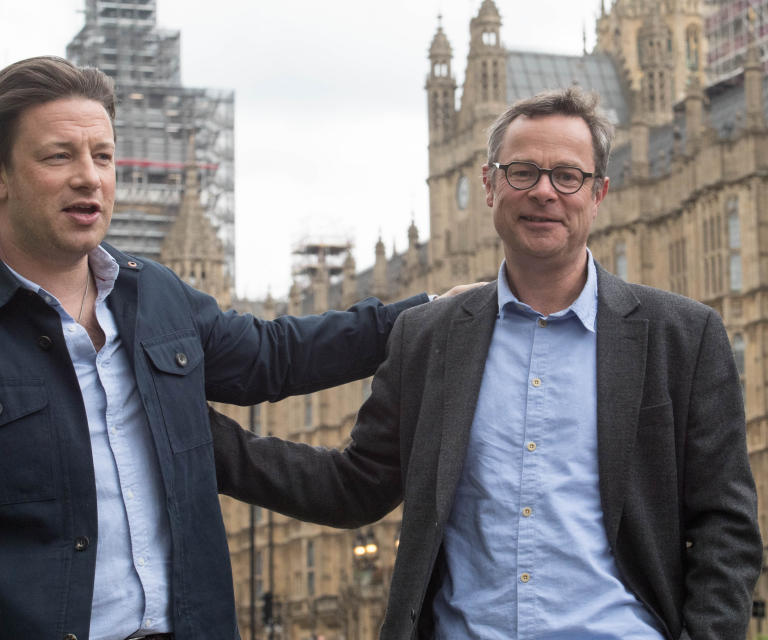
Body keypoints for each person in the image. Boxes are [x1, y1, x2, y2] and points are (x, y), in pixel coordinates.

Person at [0, 56, 433, 640]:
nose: (88, 176)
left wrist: (431, 314)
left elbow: (274, 355)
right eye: (58, 156)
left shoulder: (157, 299)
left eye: (103, 156)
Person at [211, 87, 762, 640]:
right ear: (490, 184)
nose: (544, 191)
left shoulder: (683, 337)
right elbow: (353, 486)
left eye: (567, 176)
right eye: (522, 172)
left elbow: (726, 527)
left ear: (598, 194)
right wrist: (188, 430)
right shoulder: (428, 339)